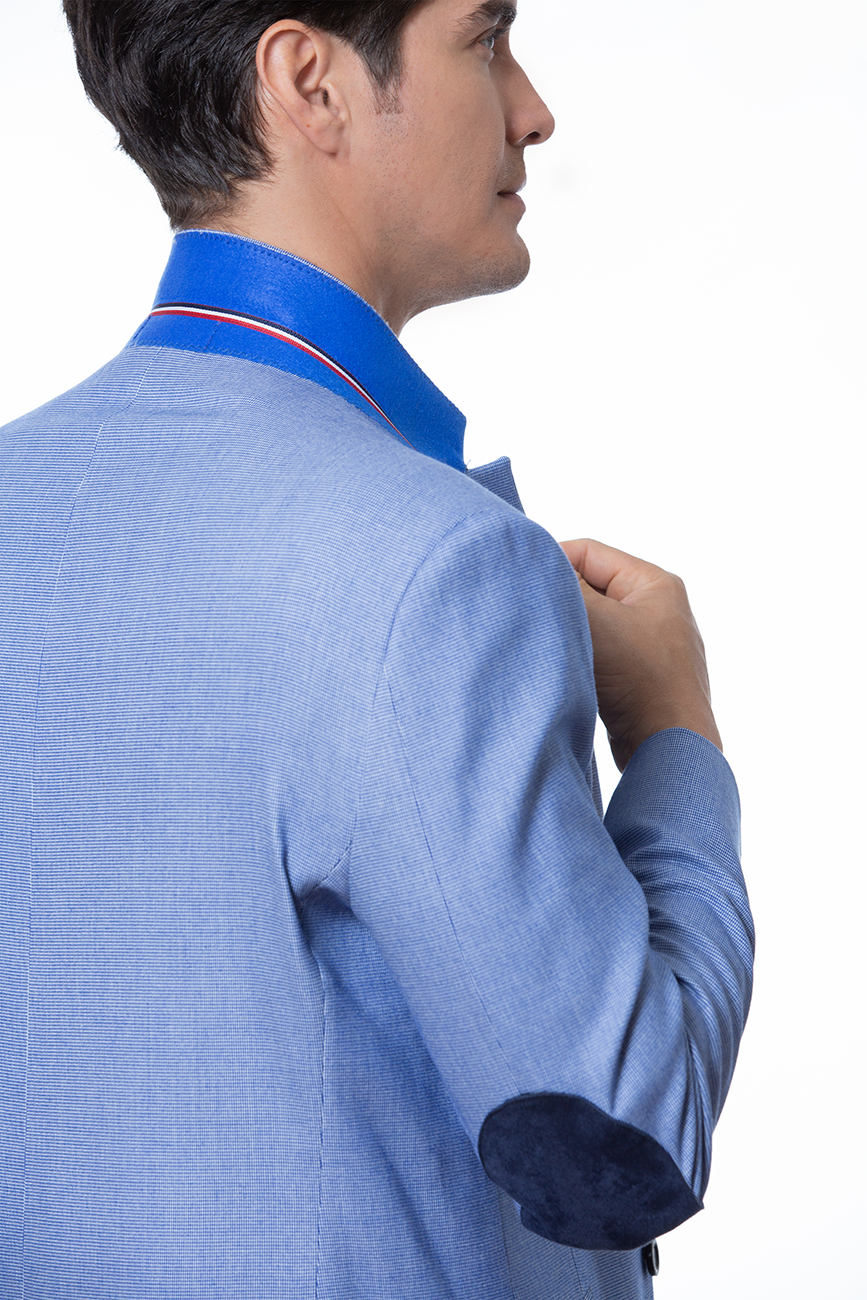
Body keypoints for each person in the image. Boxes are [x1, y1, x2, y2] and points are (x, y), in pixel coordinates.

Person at [0, 1, 754, 1297]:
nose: (533, 111)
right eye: (485, 37)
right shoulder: (437, 565)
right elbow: (616, 1149)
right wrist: (675, 735)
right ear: (311, 81)